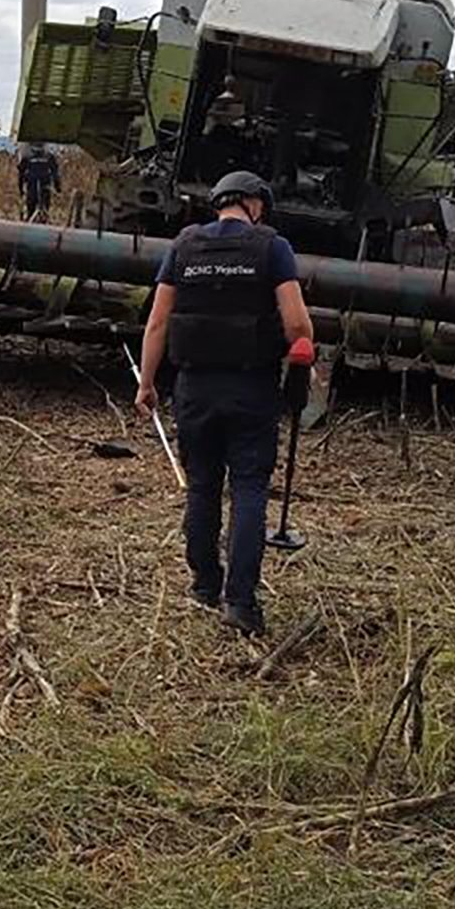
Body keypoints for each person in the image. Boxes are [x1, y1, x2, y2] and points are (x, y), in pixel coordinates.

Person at [135, 171, 315, 637]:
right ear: (254, 204)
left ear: (218, 203)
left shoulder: (184, 246)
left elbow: (158, 323)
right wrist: (303, 365)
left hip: (193, 387)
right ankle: (239, 602)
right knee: (250, 489)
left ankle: (203, 583)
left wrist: (147, 382)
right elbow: (296, 323)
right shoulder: (272, 247)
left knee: (202, 486)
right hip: (251, 387)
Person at [17, 141, 61, 222]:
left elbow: (21, 174)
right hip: (35, 185)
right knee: (33, 206)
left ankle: (38, 218)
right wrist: (57, 186)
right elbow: (21, 173)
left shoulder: (47, 156)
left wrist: (57, 186)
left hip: (42, 185)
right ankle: (33, 218)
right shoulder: (28, 156)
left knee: (41, 207)